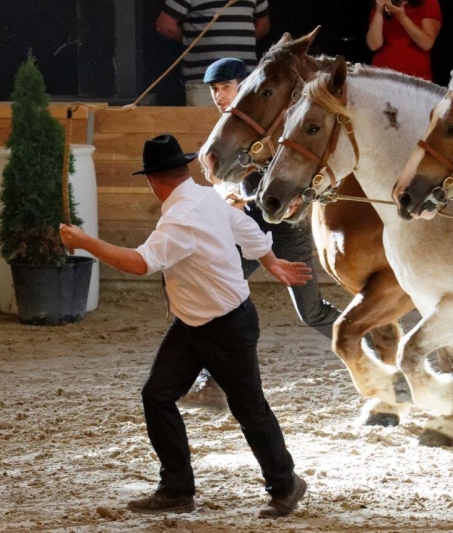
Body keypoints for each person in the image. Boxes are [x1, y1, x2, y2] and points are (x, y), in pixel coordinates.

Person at [59, 134, 311, 517]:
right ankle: (176, 488)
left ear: (153, 179)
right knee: (157, 394)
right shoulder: (205, 195)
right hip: (194, 322)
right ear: (182, 169)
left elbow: (140, 263)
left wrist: (85, 242)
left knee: (250, 410)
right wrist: (272, 262)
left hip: (226, 327)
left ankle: (286, 483)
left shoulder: (179, 218)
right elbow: (245, 229)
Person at [182, 58, 343, 408]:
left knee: (311, 312)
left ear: (247, 87)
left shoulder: (280, 121)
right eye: (214, 91)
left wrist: (301, 196)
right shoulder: (233, 126)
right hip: (251, 225)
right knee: (218, 294)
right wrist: (228, 193)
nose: (218, 97)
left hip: (287, 228)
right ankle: (214, 382)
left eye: (224, 88)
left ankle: (373, 343)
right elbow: (223, 179)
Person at [156, 0, 270, 106]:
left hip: (246, 82)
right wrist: (195, 41)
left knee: (246, 127)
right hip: (205, 83)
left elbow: (263, 24)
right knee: (202, 127)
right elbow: (166, 25)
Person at [367, 0, 442, 81]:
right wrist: (379, 11)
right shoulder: (381, 5)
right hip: (381, 76)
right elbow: (373, 45)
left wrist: (401, 16)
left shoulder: (429, 3)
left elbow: (426, 43)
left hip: (416, 78)